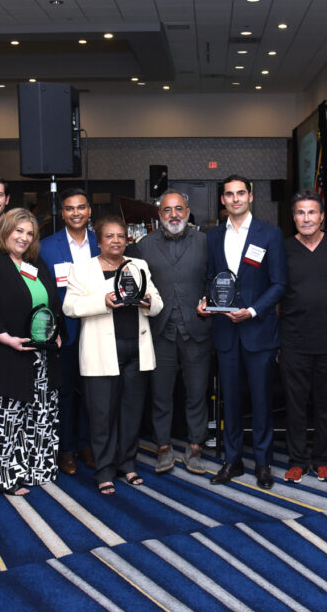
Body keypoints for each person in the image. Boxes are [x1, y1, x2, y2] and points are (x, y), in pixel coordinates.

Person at [0, 208, 64, 496]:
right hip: (4, 357)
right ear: (5, 230)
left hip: (40, 357)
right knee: (5, 421)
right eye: (19, 231)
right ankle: (5, 478)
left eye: (29, 233)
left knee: (38, 418)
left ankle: (35, 470)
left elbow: (52, 304)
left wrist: (56, 332)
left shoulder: (36, 263)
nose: (24, 237)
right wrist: (7, 339)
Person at [197, 174, 287, 490]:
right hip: (225, 332)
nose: (235, 199)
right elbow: (211, 278)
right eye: (229, 194)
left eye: (240, 193)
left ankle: (263, 463)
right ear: (223, 200)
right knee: (230, 401)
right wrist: (206, 301)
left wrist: (252, 311)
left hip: (258, 330)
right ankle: (233, 460)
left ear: (250, 196)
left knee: (261, 400)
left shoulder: (270, 234)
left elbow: (279, 284)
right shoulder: (213, 236)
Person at [63, 215, 162, 495]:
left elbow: (158, 303)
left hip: (136, 352)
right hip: (100, 353)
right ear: (99, 241)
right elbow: (70, 307)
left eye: (120, 236)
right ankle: (105, 470)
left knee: (131, 413)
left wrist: (148, 301)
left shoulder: (138, 265)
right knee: (102, 416)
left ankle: (127, 464)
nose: (116, 241)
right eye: (109, 236)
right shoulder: (83, 269)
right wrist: (103, 301)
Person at [127, 189, 211, 475]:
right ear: (159, 214)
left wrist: (210, 299)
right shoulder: (143, 245)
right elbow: (132, 282)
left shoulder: (205, 242)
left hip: (197, 330)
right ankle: (163, 446)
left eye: (178, 209)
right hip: (160, 331)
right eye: (167, 210)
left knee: (197, 393)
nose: (173, 215)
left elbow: (213, 278)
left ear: (187, 212)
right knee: (161, 394)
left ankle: (195, 446)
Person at [281, 190, 327, 483]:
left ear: (322, 217)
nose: (306, 218)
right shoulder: (283, 249)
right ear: (293, 217)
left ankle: (322, 459)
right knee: (295, 404)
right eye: (300, 212)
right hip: (293, 340)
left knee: (326, 404)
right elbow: (276, 296)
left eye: (312, 212)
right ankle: (297, 460)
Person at [39, 188, 100, 475]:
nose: (76, 213)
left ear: (89, 211)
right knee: (64, 393)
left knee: (91, 392)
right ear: (62, 213)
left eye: (81, 207)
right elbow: (43, 293)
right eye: (69, 208)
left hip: (98, 329)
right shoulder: (46, 247)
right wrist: (52, 330)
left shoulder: (102, 242)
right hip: (65, 332)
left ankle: (86, 445)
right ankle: (66, 450)